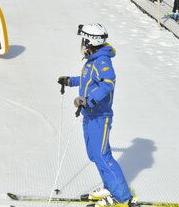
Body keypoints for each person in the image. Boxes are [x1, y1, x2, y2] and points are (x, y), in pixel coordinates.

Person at [58, 24, 136, 207]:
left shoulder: (102, 61)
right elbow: (88, 81)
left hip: (100, 115)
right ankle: (110, 188)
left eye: (84, 40)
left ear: (90, 41)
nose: (82, 44)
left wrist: (89, 101)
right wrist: (70, 81)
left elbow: (108, 83)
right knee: (95, 154)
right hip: (91, 115)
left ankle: (122, 198)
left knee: (102, 156)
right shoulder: (92, 61)